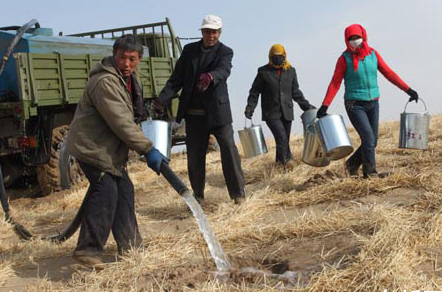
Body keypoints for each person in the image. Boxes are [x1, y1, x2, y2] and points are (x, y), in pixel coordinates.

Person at [66, 34, 167, 269]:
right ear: (114, 56)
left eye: (132, 59)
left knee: (124, 190)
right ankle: (87, 251)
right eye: (122, 58)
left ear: (139, 60)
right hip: (91, 146)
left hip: (108, 149)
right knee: (106, 190)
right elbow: (121, 122)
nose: (127, 63)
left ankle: (130, 246)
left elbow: (134, 114)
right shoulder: (105, 82)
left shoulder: (129, 78)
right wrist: (147, 149)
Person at [158, 15, 246, 204]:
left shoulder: (226, 52)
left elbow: (224, 70)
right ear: (202, 32)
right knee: (195, 157)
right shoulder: (189, 51)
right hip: (194, 115)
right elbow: (177, 78)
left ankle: (238, 195)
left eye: (214, 32)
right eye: (207, 31)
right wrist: (163, 98)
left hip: (218, 113)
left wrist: (211, 77)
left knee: (229, 151)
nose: (210, 35)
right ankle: (198, 196)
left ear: (219, 33)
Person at [317, 24, 420, 178]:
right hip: (354, 104)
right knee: (368, 138)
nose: (354, 40)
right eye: (351, 38)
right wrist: (325, 105)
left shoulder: (373, 54)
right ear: (346, 40)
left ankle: (351, 165)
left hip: (373, 102)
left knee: (372, 141)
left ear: (363, 37)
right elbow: (335, 83)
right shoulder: (344, 59)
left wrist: (408, 90)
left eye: (357, 37)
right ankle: (370, 173)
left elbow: (389, 73)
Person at [244, 44, 315, 168]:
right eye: (275, 56)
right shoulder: (263, 71)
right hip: (271, 112)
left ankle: (279, 164)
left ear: (285, 56)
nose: (278, 58)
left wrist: (306, 106)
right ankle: (285, 163)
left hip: (287, 111)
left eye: (280, 56)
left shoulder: (291, 71)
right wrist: (250, 107)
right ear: (270, 57)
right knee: (281, 136)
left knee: (284, 139)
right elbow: (254, 91)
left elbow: (295, 92)